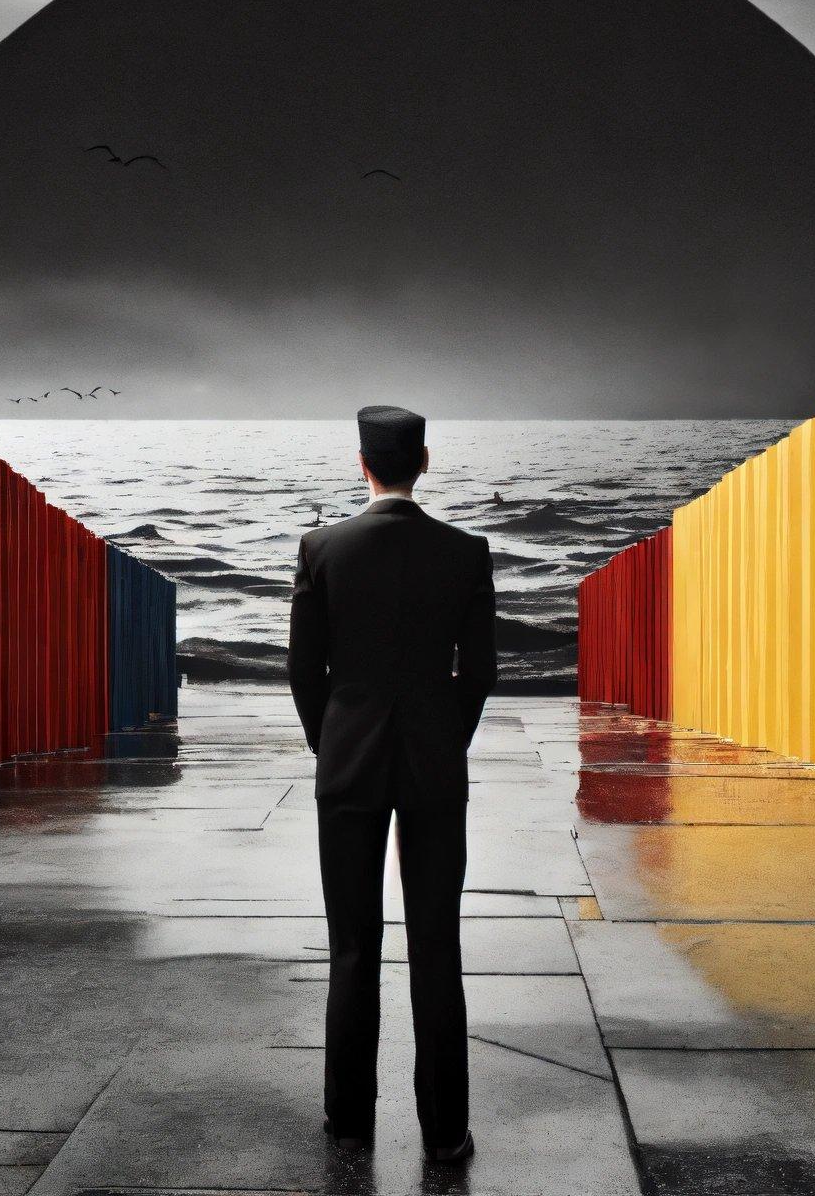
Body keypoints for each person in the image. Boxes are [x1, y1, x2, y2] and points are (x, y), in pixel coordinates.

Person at [288, 405, 497, 1165]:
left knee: (353, 946)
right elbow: (478, 674)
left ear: (361, 463)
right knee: (437, 944)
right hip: (434, 763)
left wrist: (332, 742)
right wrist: (444, 739)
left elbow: (304, 671)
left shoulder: (321, 548)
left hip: (348, 762)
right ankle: (445, 1131)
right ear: (425, 462)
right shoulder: (466, 551)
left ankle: (348, 1122)